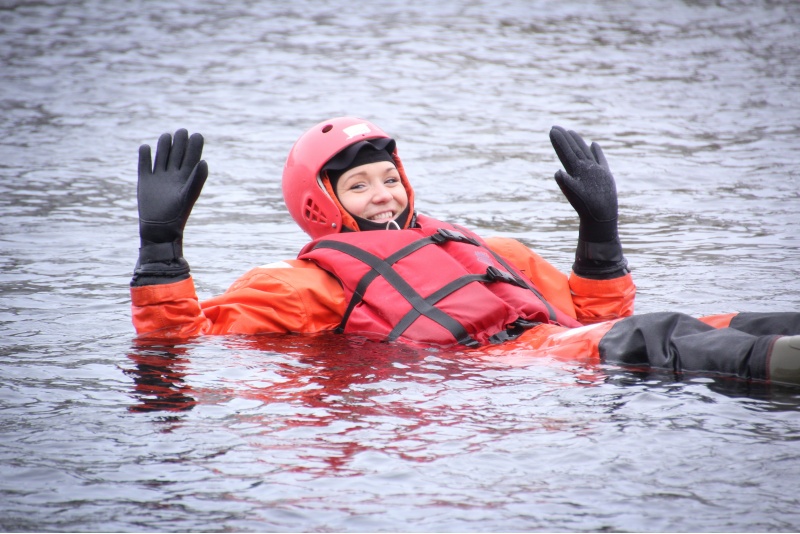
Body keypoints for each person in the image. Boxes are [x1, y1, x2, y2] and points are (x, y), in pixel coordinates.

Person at [130, 117, 800, 386]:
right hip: (513, 367)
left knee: (736, 320)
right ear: (320, 203)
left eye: (390, 177)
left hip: (566, 346)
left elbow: (592, 308)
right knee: (660, 335)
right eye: (359, 185)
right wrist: (162, 248)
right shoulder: (308, 282)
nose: (384, 194)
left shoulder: (482, 245)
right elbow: (180, 338)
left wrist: (601, 229)